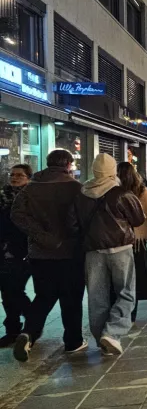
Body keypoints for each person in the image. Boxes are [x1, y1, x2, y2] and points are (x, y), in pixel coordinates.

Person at [11, 149, 86, 362]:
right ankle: (73, 341)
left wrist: (40, 235)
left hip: (40, 253)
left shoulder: (31, 187)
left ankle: (29, 333)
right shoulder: (76, 188)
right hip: (70, 253)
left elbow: (16, 214)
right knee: (71, 299)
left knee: (43, 296)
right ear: (68, 165)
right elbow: (84, 218)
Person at [74, 154, 145, 355]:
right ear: (112, 171)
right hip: (120, 249)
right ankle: (112, 333)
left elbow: (73, 222)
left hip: (92, 251)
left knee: (97, 296)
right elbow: (138, 219)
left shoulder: (82, 193)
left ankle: (101, 338)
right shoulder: (121, 193)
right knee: (126, 292)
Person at [117, 162, 147, 323]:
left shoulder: (114, 191)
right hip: (138, 242)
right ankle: (131, 313)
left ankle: (121, 311)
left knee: (121, 278)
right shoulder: (142, 190)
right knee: (135, 277)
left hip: (118, 241)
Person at [0, 165, 32, 347]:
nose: (14, 178)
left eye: (20, 175)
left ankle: (32, 321)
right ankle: (13, 330)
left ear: (29, 177)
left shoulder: (32, 197)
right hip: (4, 251)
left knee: (14, 290)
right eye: (12, 174)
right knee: (7, 291)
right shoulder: (3, 196)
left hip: (25, 251)